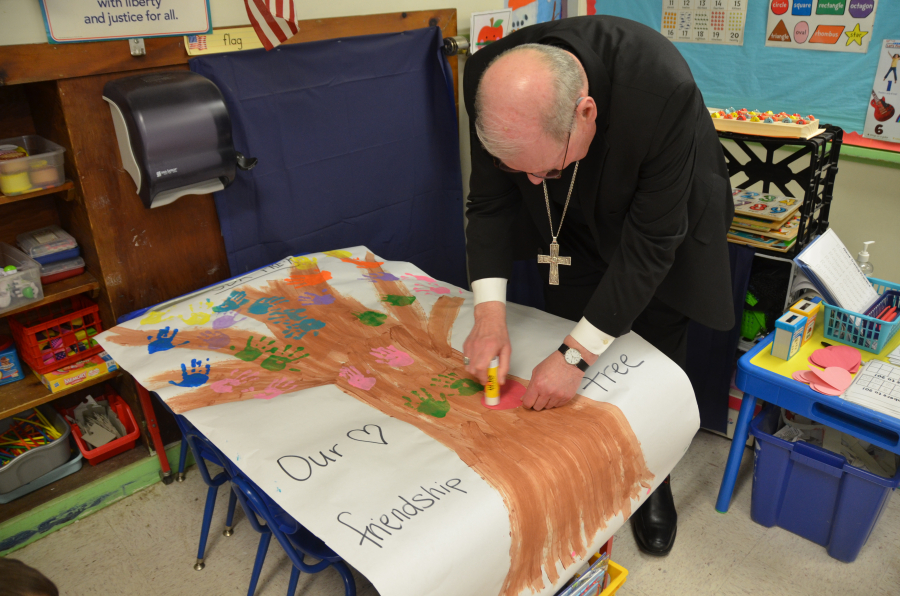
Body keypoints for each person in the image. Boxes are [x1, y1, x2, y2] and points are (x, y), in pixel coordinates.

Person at [461, 15, 734, 556]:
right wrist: (489, 317)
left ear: (585, 113)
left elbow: (652, 243)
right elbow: (491, 203)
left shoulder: (662, 88)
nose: (531, 182)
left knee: (651, 340)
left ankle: (651, 477)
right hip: (571, 223)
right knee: (568, 328)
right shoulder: (488, 79)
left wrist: (576, 357)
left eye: (544, 170)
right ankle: (584, 470)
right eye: (522, 171)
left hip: (661, 217)